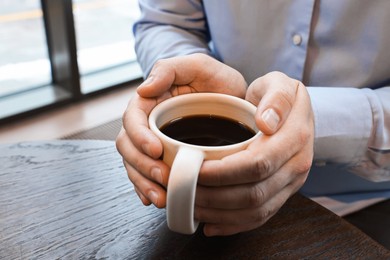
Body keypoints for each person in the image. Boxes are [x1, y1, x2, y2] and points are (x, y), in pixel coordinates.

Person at [116, 1, 390, 237]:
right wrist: (180, 73)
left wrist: (313, 118)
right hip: (198, 197)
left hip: (363, 203)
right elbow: (165, 21)